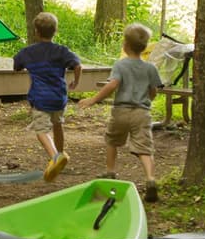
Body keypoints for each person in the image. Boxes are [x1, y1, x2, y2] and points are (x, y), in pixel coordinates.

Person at [78, 23, 164, 203]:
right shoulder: (150, 68)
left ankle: (110, 171)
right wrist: (147, 99)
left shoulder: (120, 65)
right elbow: (154, 90)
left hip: (121, 111)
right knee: (144, 148)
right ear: (144, 47)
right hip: (142, 113)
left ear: (125, 45)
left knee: (112, 141)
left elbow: (113, 85)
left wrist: (93, 100)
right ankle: (150, 179)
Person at [13, 12, 82, 183]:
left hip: (40, 99)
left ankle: (55, 157)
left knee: (42, 131)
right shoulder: (61, 51)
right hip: (59, 97)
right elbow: (78, 65)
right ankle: (60, 153)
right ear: (55, 31)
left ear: (36, 31)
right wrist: (76, 81)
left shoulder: (28, 52)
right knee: (58, 124)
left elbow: (17, 65)